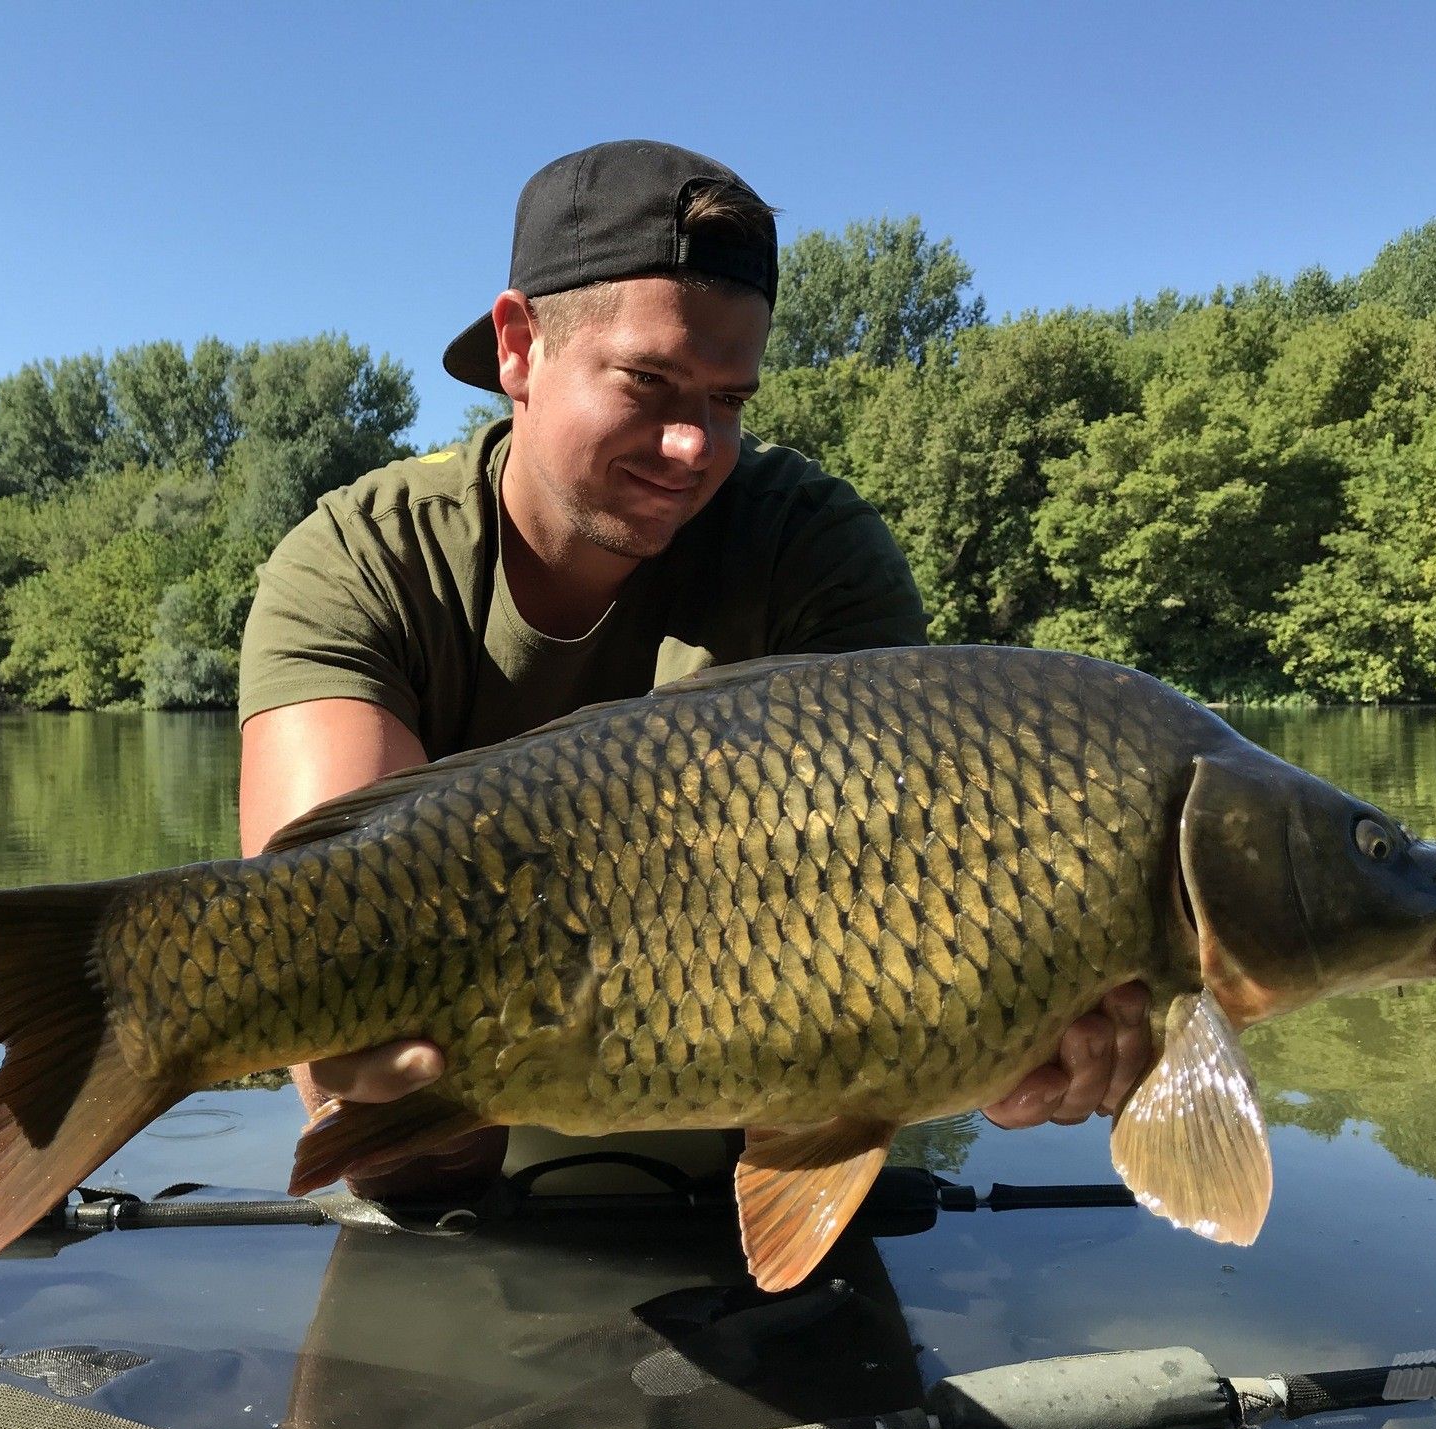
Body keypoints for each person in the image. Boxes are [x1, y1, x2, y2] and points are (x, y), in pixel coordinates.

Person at [237, 139, 1152, 1200]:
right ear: (518, 346)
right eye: (650, 382)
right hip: (460, 1139)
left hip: (742, 1121)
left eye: (729, 400)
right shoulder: (359, 560)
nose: (693, 447)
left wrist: (1000, 1043)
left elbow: (907, 945)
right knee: (406, 1148)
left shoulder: (813, 550)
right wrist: (375, 1086)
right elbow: (309, 963)